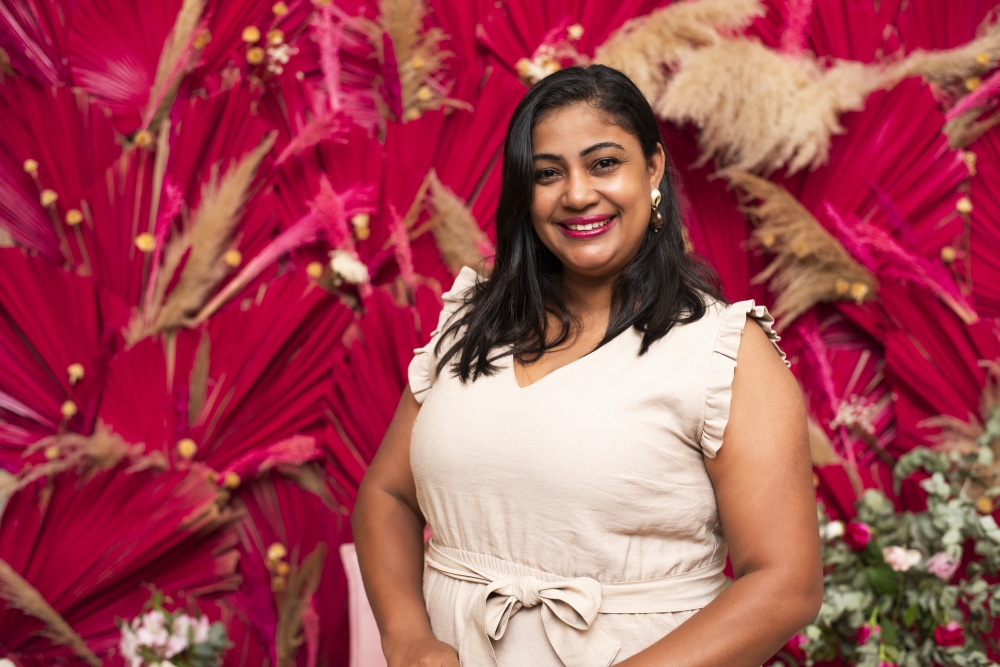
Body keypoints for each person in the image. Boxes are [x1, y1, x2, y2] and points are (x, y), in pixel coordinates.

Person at [352, 64, 822, 667]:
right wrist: (408, 640)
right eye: (548, 173)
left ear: (652, 168)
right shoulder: (471, 322)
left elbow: (786, 584)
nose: (576, 195)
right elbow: (387, 494)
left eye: (603, 164)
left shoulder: (723, 350)